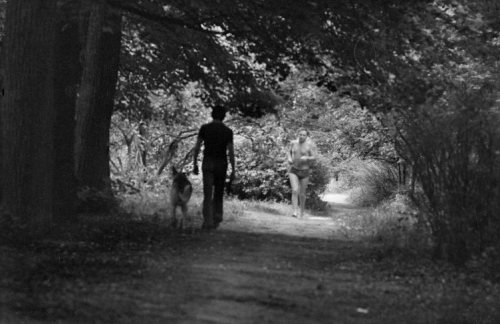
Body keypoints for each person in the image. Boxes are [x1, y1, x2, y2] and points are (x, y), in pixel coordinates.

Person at [193, 105, 235, 230]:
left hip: (207, 162)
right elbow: (231, 152)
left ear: (212, 115)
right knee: (218, 192)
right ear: (223, 117)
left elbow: (197, 147)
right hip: (221, 163)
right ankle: (217, 216)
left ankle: (207, 221)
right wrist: (233, 169)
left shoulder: (204, 128)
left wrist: (195, 162)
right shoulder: (228, 131)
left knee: (207, 193)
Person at [286, 128, 316, 218]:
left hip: (305, 171)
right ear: (298, 134)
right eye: (300, 134)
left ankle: (301, 212)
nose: (302, 136)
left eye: (304, 135)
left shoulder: (309, 145)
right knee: (295, 190)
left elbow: (314, 157)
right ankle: (294, 211)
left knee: (302, 193)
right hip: (293, 170)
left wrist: (307, 157)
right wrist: (289, 158)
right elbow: (288, 151)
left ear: (307, 136)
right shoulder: (293, 143)